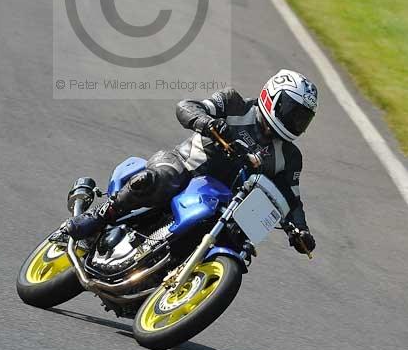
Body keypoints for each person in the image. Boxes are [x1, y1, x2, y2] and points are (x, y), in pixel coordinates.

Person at [65, 70, 318, 255]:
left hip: (223, 201)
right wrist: (207, 123)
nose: (295, 122)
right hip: (185, 165)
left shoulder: (290, 157)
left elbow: (290, 197)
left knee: (240, 240)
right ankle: (100, 216)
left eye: (302, 118)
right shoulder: (235, 104)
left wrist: (300, 229)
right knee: (155, 180)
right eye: (291, 112)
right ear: (272, 97)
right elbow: (187, 106)